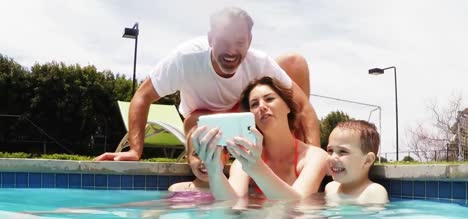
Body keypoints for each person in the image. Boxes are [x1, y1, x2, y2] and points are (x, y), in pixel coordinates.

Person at [95, 6, 320, 166]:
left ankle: (290, 154)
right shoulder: (186, 58)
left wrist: (315, 156)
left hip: (245, 115)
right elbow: (142, 97)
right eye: (223, 42)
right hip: (201, 119)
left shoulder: (258, 62)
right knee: (197, 121)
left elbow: (304, 107)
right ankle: (205, 160)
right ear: (211, 39)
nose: (231, 51)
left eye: (239, 43)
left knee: (294, 63)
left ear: (249, 41)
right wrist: (135, 150)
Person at [192, 76, 329, 200]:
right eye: (254, 104)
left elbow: (298, 203)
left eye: (269, 99)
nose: (262, 107)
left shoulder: (315, 157)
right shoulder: (244, 159)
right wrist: (214, 170)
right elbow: (231, 203)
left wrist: (257, 169)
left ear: (288, 106)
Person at [325, 120, 388, 204]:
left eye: (343, 151)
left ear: (367, 161)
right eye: (330, 150)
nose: (332, 158)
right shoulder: (330, 188)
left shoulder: (373, 193)